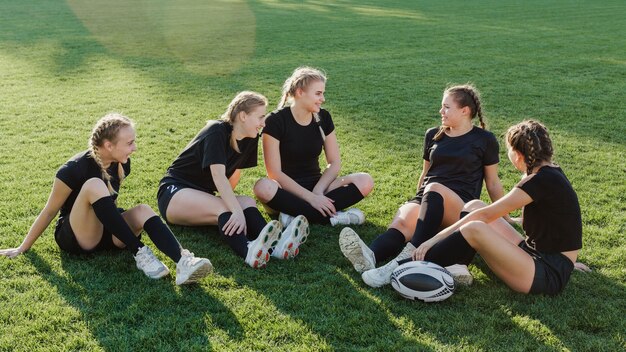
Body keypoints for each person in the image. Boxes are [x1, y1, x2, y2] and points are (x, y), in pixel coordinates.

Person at [0, 114, 212, 285]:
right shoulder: (73, 169)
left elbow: (107, 208)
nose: (134, 148)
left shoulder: (122, 163)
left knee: (142, 210)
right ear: (109, 145)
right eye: (129, 143)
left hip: (107, 233)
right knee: (94, 185)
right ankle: (139, 251)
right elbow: (49, 211)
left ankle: (183, 261)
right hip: (76, 236)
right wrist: (22, 248)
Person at [339, 84, 508, 287]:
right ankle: (370, 256)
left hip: (459, 206)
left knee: (434, 188)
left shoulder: (484, 140)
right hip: (428, 197)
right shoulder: (433, 134)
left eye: (446, 107)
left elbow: (493, 182)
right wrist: (416, 203)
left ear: (465, 111)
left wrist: (504, 216)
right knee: (402, 222)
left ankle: (400, 263)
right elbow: (426, 173)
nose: (441, 111)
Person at [409, 120, 582, 295]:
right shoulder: (550, 172)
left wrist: (434, 239)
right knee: (473, 206)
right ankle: (456, 264)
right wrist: (568, 261)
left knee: (475, 227)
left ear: (517, 154)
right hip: (538, 255)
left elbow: (485, 216)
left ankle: (416, 263)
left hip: (545, 274)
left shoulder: (539, 181)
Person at [157, 91, 309, 268]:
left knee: (247, 201)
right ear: (243, 116)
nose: (263, 123)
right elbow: (218, 176)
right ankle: (248, 251)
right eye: (260, 117)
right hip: (173, 192)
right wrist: (235, 211)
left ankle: (276, 246)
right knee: (227, 207)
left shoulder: (250, 138)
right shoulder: (216, 130)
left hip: (201, 195)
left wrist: (238, 206)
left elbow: (233, 174)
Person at [253, 67, 374, 228]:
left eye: (323, 93)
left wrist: (317, 192)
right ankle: (334, 218)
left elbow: (334, 162)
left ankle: (294, 216)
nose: (322, 98)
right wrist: (311, 198)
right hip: (286, 192)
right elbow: (274, 172)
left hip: (319, 186)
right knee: (262, 187)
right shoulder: (275, 121)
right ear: (300, 92)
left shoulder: (324, 117)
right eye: (318, 93)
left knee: (365, 181)